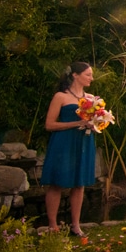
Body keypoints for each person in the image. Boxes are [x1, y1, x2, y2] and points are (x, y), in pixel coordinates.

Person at [40, 62, 96, 237]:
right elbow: (49, 124)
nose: (91, 78)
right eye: (88, 75)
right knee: (57, 183)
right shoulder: (61, 97)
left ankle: (76, 225)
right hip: (64, 143)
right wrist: (76, 123)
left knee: (79, 184)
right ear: (75, 75)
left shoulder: (91, 99)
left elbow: (94, 122)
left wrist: (96, 123)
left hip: (83, 142)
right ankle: (53, 225)